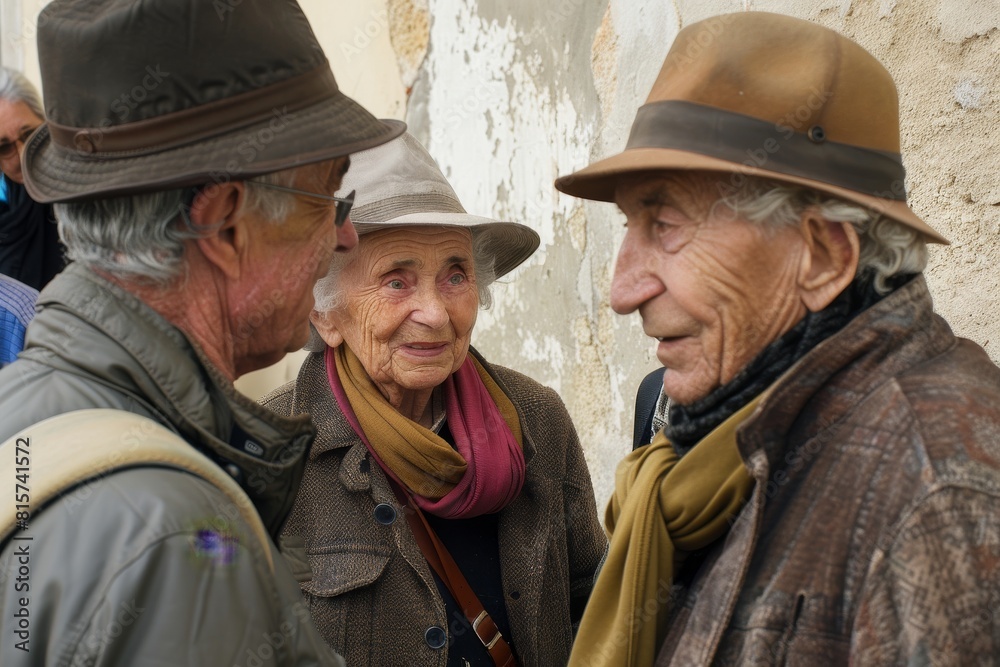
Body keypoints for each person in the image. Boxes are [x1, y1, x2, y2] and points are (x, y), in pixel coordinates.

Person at [555, 12, 1000, 667]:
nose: (622, 290)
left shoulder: (938, 496)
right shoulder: (726, 436)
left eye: (666, 224)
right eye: (629, 225)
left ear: (821, 256)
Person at [0, 0, 403, 664]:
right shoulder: (182, 546)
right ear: (226, 226)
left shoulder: (21, 408)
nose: (345, 235)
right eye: (330, 198)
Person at [262, 132, 606, 666]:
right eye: (396, 282)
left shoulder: (537, 419)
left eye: (455, 275)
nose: (436, 313)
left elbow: (595, 605)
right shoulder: (269, 453)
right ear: (325, 314)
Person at [0, 67, 65, 290]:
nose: (22, 155)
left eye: (30, 135)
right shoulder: (6, 204)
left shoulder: (78, 196)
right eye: (4, 147)